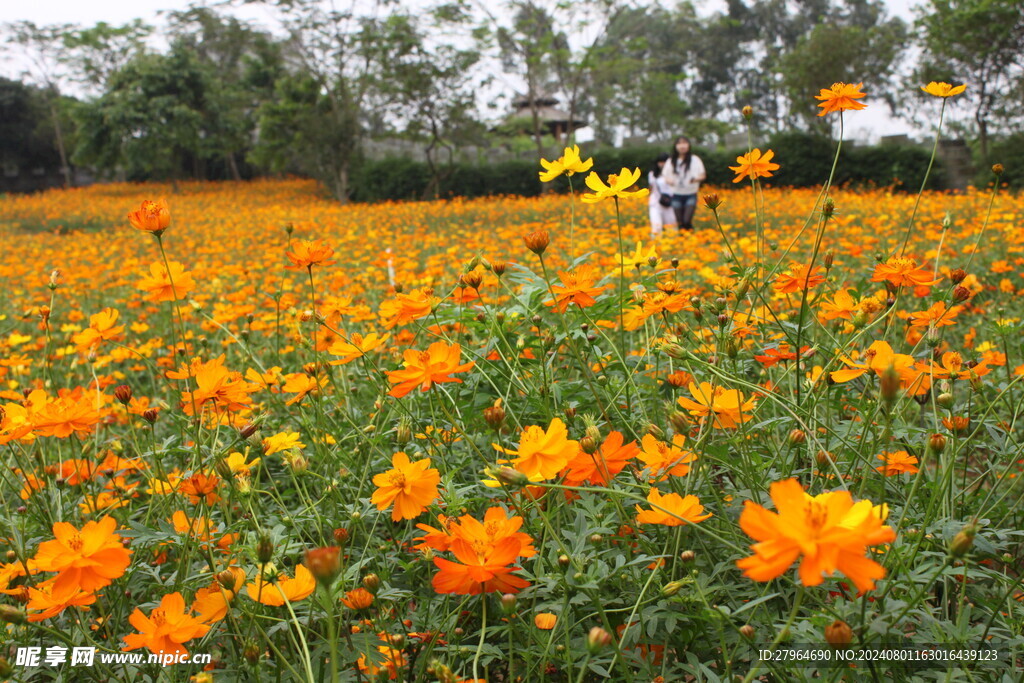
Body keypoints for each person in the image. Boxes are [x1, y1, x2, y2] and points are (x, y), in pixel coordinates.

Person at [661, 136, 706, 231]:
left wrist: (695, 179)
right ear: (676, 146)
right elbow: (665, 176)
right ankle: (683, 240)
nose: (682, 146)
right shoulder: (671, 161)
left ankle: (690, 238)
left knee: (686, 220)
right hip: (676, 194)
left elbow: (703, 175)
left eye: (685, 143)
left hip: (690, 194)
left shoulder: (695, 160)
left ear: (689, 145)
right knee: (680, 222)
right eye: (679, 143)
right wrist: (669, 181)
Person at [647, 153, 676, 240]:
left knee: (671, 228)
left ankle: (672, 247)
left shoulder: (674, 173)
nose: (662, 164)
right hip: (655, 203)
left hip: (669, 203)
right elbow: (651, 188)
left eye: (665, 162)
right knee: (656, 227)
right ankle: (655, 248)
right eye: (661, 162)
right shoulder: (652, 174)